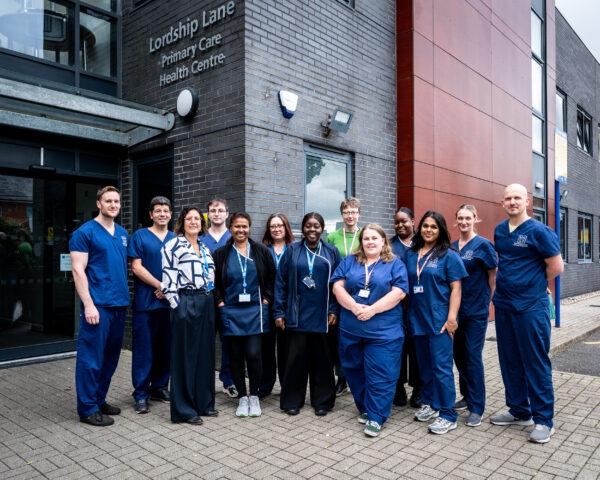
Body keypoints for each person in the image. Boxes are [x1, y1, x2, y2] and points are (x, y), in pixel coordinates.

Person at [490, 183, 563, 444]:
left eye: (517, 198)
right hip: (505, 305)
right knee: (510, 360)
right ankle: (520, 411)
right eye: (508, 198)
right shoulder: (499, 231)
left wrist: (533, 284)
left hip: (531, 306)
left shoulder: (540, 232)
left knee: (535, 361)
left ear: (527, 201)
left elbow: (556, 266)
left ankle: (544, 420)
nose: (512, 202)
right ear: (503, 202)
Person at [331, 224, 408, 437]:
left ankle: (376, 416)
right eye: (366, 238)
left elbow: (400, 292)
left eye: (375, 238)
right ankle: (366, 407)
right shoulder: (349, 261)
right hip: (351, 329)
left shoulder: (394, 263)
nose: (370, 242)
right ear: (361, 241)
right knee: (354, 371)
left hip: (383, 332)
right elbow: (337, 286)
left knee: (381, 373)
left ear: (383, 241)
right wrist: (355, 307)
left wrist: (372, 310)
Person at [70, 186, 129, 427]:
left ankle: (99, 399)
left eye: (116, 201)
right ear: (99, 204)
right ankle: (87, 408)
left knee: (110, 358)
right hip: (98, 306)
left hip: (119, 304)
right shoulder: (84, 233)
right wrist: (89, 305)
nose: (113, 205)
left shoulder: (122, 233)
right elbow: (77, 270)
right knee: (91, 357)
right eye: (108, 201)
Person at [406, 211, 467, 434]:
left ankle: (448, 414)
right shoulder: (411, 254)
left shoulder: (448, 256)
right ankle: (431, 404)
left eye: (433, 227)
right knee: (425, 367)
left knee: (442, 369)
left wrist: (452, 318)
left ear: (440, 230)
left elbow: (456, 289)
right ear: (419, 228)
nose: (428, 230)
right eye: (425, 226)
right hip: (417, 320)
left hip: (440, 320)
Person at [274, 212, 341, 416]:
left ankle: (322, 401)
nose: (312, 229)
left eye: (317, 226)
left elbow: (339, 284)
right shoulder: (292, 251)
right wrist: (279, 311)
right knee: (296, 361)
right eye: (308, 226)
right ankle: (293, 400)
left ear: (322, 228)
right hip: (297, 314)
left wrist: (333, 309)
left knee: (322, 361)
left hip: (322, 316)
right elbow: (280, 282)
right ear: (303, 228)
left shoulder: (331, 252)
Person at [213, 213, 276, 417]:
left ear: (250, 227)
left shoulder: (261, 251)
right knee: (236, 356)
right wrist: (220, 302)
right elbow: (214, 282)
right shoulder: (221, 253)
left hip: (255, 311)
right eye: (237, 226)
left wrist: (266, 298)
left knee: (254, 354)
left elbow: (272, 278)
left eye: (245, 226)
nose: (241, 230)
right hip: (231, 310)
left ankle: (254, 396)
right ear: (230, 228)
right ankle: (242, 397)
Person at [162, 207, 217, 425]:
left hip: (206, 301)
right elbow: (168, 280)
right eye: (189, 218)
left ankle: (204, 403)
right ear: (182, 222)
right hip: (186, 301)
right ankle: (184, 410)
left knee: (205, 354)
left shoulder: (204, 247)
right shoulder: (173, 245)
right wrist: (177, 306)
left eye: (197, 218)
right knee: (184, 356)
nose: (193, 221)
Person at [128, 196, 176, 414]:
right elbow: (136, 267)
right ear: (151, 214)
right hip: (146, 304)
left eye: (166, 210)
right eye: (158, 210)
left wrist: (169, 288)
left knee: (165, 348)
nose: (162, 214)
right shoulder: (139, 236)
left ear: (171, 214)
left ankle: (159, 386)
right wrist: (161, 285)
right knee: (144, 350)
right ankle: (140, 393)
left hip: (169, 305)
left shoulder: (176, 238)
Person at [451, 204, 497, 427]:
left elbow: (493, 277)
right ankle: (466, 396)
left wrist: (489, 302)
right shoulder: (452, 247)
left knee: (472, 356)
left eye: (468, 218)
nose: (463, 222)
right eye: (460, 218)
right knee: (458, 355)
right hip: (456, 313)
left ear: (475, 219)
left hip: (476, 311)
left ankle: (477, 406)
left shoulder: (483, 245)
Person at [200, 198, 237, 399]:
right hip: (206, 298)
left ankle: (228, 380)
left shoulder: (234, 238)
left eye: (220, 210)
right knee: (205, 341)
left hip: (228, 299)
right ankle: (204, 381)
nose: (216, 213)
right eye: (212, 210)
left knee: (228, 341)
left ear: (226, 214)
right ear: (208, 215)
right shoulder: (201, 240)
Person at [326, 197, 362, 396]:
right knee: (339, 337)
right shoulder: (332, 237)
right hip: (338, 291)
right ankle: (342, 377)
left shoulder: (364, 234)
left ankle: (357, 374)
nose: (350, 216)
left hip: (359, 291)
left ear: (359, 214)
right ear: (342, 215)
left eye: (354, 212)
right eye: (347, 212)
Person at [259, 213, 295, 398]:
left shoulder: (294, 249)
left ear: (286, 227)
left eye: (280, 225)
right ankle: (266, 384)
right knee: (266, 347)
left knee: (286, 348)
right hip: (267, 304)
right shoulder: (263, 249)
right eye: (273, 226)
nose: (276, 229)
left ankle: (286, 386)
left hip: (288, 306)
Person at [390, 207, 422, 408]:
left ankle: (418, 389)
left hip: (419, 306)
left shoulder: (423, 243)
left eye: (404, 221)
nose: (401, 225)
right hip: (396, 307)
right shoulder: (390, 246)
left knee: (418, 349)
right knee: (398, 349)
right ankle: (398, 387)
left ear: (413, 221)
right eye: (397, 222)